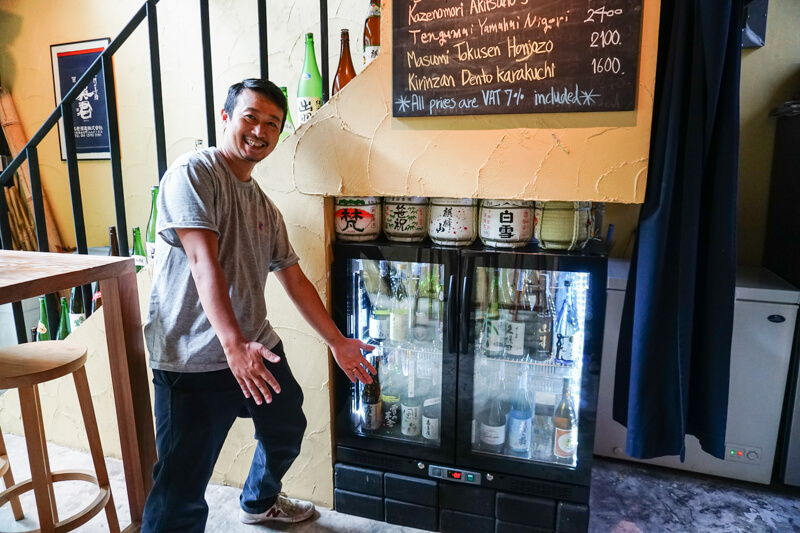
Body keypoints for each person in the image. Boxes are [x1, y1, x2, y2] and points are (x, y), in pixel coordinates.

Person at [141, 78, 375, 532]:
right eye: (251, 117)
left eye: (273, 123)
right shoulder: (194, 173)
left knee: (286, 428)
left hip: (257, 349)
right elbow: (199, 259)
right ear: (226, 117)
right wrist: (232, 346)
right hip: (192, 359)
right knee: (180, 489)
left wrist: (337, 342)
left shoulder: (264, 206)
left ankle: (259, 501)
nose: (261, 130)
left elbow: (293, 277)